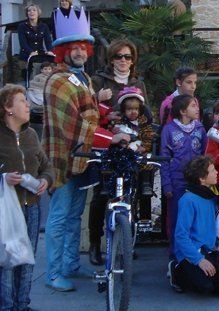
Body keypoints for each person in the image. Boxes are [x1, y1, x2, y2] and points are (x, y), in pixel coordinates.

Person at [43, 7, 130, 291]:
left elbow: (88, 109)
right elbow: (72, 124)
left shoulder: (82, 78)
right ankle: (54, 273)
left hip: (84, 158)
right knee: (59, 217)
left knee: (73, 215)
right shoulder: (57, 80)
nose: (79, 52)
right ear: (63, 51)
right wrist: (109, 138)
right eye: (74, 48)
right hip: (64, 158)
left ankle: (69, 264)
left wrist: (109, 114)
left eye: (83, 47)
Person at [87, 86, 157, 265]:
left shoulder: (144, 124)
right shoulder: (115, 122)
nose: (133, 112)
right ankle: (95, 242)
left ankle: (128, 243)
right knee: (101, 198)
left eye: (136, 109)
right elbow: (106, 135)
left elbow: (148, 141)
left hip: (133, 166)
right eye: (129, 109)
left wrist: (140, 148)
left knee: (132, 201)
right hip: (112, 164)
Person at [0, 84, 54, 311]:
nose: (28, 105)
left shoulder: (31, 134)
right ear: (7, 108)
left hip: (31, 206)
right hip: (5, 209)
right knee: (7, 260)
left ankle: (23, 305)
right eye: (22, 101)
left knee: (27, 258)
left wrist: (45, 181)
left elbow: (47, 166)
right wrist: (3, 177)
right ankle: (6, 305)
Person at [170, 156, 219, 296]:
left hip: (209, 250)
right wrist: (198, 260)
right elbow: (181, 236)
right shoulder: (188, 200)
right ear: (202, 179)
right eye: (212, 171)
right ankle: (176, 270)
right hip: (192, 252)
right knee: (205, 288)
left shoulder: (210, 195)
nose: (216, 172)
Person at [161, 94, 207, 263]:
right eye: (193, 106)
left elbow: (204, 155)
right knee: (177, 220)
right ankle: (175, 258)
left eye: (197, 105)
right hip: (176, 181)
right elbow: (164, 159)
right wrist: (167, 185)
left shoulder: (200, 129)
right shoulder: (169, 130)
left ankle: (194, 255)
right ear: (182, 111)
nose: (197, 108)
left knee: (194, 219)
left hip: (195, 182)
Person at [91, 39, 148, 119]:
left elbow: (146, 114)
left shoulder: (139, 84)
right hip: (105, 129)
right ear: (111, 60)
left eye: (128, 57)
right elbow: (86, 111)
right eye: (118, 56)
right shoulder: (97, 81)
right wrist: (97, 98)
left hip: (133, 130)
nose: (123, 60)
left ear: (132, 61)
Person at [17, 4, 54, 75]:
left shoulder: (44, 26)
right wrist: (31, 52)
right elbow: (22, 43)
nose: (31, 12)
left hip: (40, 55)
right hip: (26, 56)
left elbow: (48, 41)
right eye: (29, 11)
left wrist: (50, 51)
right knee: (27, 77)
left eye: (34, 10)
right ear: (27, 13)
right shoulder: (22, 26)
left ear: (38, 13)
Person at [27, 62, 54, 137]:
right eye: (45, 69)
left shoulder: (52, 77)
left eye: (49, 69)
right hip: (38, 90)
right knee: (30, 92)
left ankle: (44, 101)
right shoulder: (38, 76)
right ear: (41, 70)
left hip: (48, 90)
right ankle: (40, 101)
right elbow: (33, 83)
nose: (47, 71)